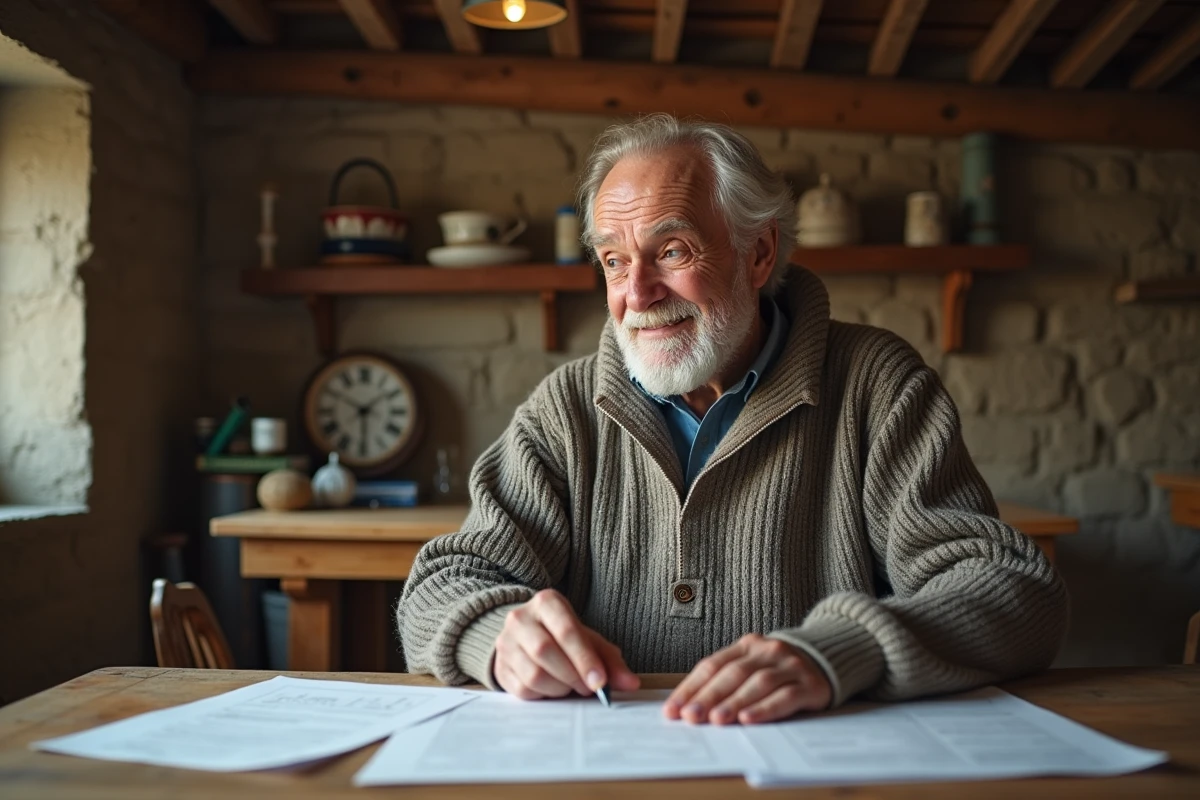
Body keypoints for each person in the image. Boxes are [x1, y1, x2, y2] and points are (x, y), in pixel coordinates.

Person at [397, 114, 1068, 726]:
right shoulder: (564, 409)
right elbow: (437, 589)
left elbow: (1013, 591)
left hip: (817, 768)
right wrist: (497, 636)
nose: (637, 295)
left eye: (672, 251)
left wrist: (841, 650)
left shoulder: (877, 385)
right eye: (615, 261)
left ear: (759, 252)